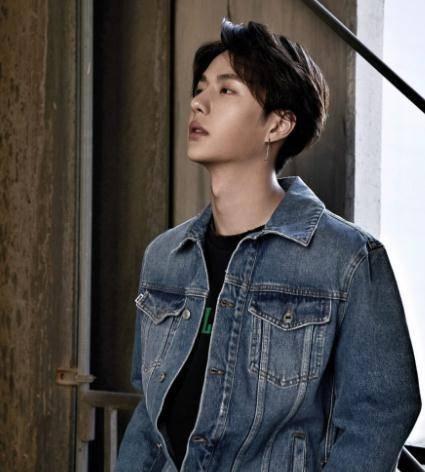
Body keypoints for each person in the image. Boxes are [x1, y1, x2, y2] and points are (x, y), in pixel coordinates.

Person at [115, 18, 421, 472]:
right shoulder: (165, 257)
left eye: (226, 90)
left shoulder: (348, 260)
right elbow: (149, 418)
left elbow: (380, 414)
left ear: (277, 124)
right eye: (200, 88)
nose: (198, 103)